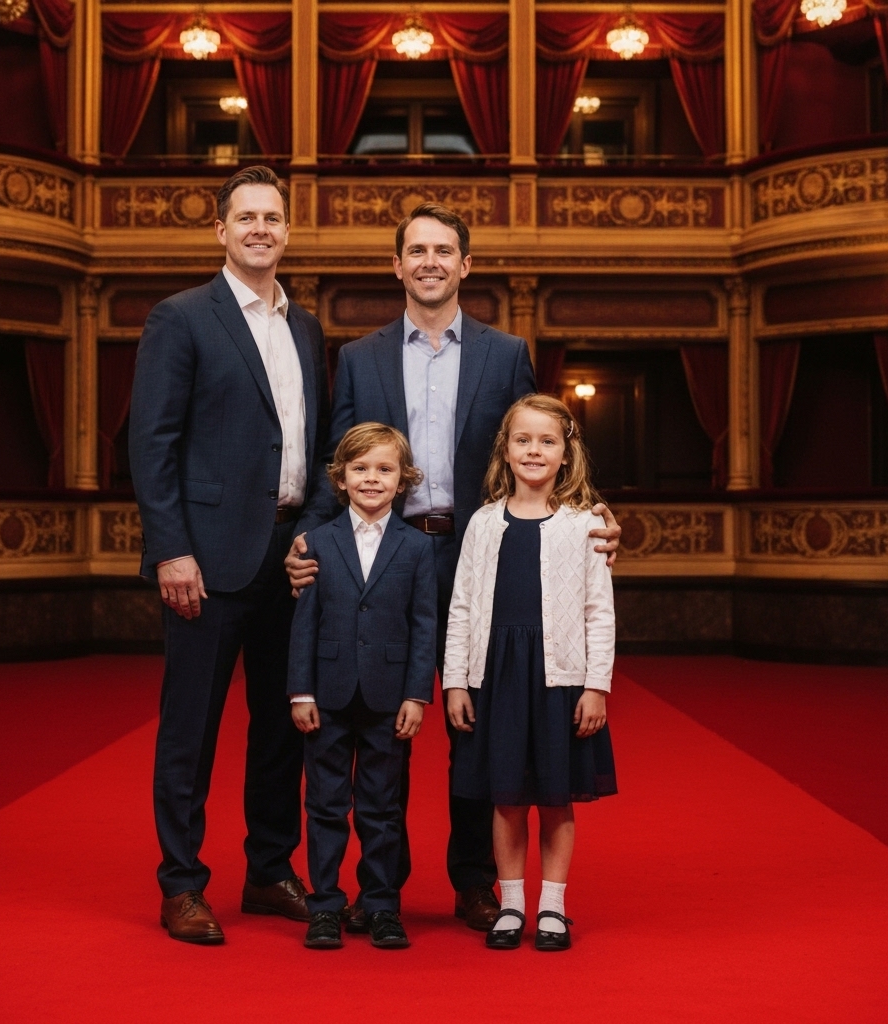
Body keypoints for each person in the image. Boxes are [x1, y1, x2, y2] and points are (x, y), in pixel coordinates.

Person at [288, 202, 622, 932]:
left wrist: (595, 514)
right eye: (417, 250)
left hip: (482, 557)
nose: (431, 261)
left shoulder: (506, 354)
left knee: (480, 718)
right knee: (383, 713)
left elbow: (539, 443)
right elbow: (335, 462)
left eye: (445, 250)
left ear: (466, 265)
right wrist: (311, 536)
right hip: (387, 554)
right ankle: (384, 890)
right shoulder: (363, 356)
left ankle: (476, 880)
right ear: (397, 264)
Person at [129, 165, 329, 944]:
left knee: (283, 726)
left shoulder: (305, 326)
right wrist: (171, 550)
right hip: (206, 562)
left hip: (290, 560)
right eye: (244, 217)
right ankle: (182, 883)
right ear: (220, 230)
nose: (259, 229)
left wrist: (312, 527)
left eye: (272, 218)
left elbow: (309, 448)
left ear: (287, 230)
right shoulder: (180, 318)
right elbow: (151, 444)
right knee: (191, 728)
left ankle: (270, 870)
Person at [443, 394, 617, 952]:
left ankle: (553, 907)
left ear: (566, 453)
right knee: (506, 796)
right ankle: (512, 904)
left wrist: (596, 685)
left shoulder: (584, 524)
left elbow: (598, 609)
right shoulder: (483, 522)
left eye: (547, 441)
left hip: (560, 676)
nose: (534, 450)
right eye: (523, 439)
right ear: (506, 448)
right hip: (496, 676)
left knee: (556, 795)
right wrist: (454, 680)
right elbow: (463, 605)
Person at [288, 424, 437, 950]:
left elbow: (425, 626)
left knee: (381, 807)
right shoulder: (316, 542)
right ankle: (324, 905)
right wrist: (300, 692)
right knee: (326, 805)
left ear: (403, 481)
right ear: (341, 478)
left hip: (388, 697)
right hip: (325, 696)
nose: (371, 478)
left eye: (384, 469)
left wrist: (418, 695)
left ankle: (381, 905)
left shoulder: (417, 549)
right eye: (360, 469)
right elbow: (304, 623)